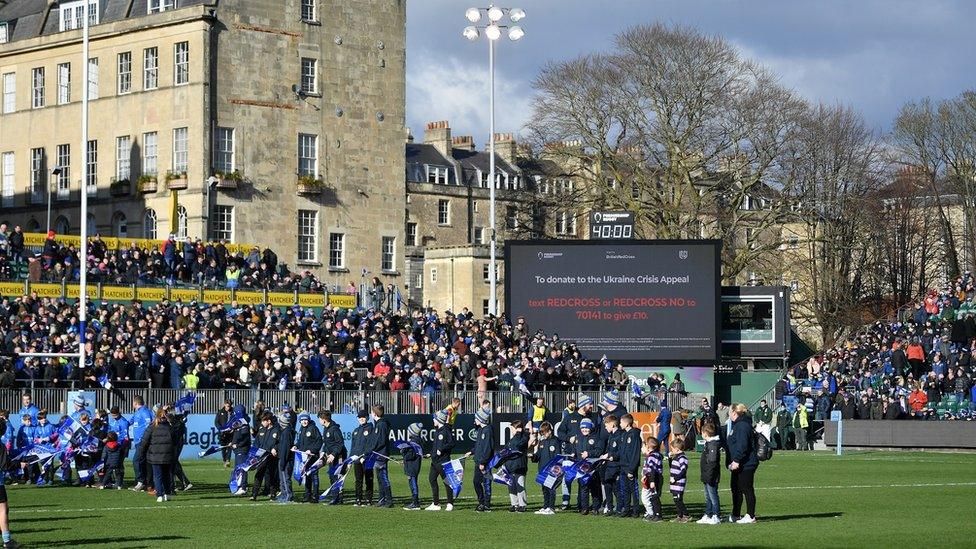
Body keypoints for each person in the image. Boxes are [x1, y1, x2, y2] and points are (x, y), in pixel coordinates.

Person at [728, 403, 759, 524]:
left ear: (734, 412)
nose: (728, 414)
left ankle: (750, 515)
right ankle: (736, 514)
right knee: (736, 488)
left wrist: (736, 460)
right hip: (739, 463)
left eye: (730, 411)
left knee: (746, 488)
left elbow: (742, 445)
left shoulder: (742, 425)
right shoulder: (738, 425)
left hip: (746, 463)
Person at [139, 408, 176, 503]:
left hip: (155, 456)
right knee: (167, 475)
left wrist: (141, 453)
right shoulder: (170, 427)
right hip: (167, 455)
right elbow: (175, 441)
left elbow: (144, 441)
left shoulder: (152, 427)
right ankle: (167, 494)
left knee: (157, 476)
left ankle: (160, 495)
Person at [425, 410, 455, 511]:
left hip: (443, 461)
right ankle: (436, 503)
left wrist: (441, 449)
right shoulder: (437, 431)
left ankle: (450, 503)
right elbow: (435, 446)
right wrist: (431, 453)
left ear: (439, 420)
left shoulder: (446, 431)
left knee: (447, 481)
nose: (433, 420)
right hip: (435, 461)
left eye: (434, 419)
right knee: (432, 479)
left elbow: (452, 444)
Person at [574, 418, 604, 515]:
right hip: (581, 467)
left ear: (590, 427)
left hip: (593, 467)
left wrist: (589, 453)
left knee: (594, 487)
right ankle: (584, 508)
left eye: (586, 428)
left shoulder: (596, 437)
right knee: (583, 487)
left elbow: (599, 451)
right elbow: (575, 450)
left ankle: (596, 507)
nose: (584, 430)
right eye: (582, 428)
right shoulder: (578, 437)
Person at [467, 408, 493, 512]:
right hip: (478, 460)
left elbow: (487, 448)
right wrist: (472, 452)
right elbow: (478, 445)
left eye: (476, 418)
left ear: (481, 419)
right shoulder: (481, 430)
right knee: (476, 482)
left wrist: (483, 462)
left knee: (486, 482)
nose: (475, 420)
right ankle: (481, 502)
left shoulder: (488, 431)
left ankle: (486, 504)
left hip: (484, 462)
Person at [530, 421, 559, 515]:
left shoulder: (555, 441)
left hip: (551, 470)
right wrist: (533, 456)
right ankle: (545, 506)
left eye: (544, 432)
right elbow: (538, 455)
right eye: (542, 433)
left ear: (550, 431)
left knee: (551, 489)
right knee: (544, 489)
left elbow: (557, 457)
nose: (543, 434)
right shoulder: (542, 442)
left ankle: (551, 507)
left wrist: (554, 469)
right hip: (542, 470)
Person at [616, 414, 641, 518]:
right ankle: (626, 509)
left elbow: (635, 454)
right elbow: (621, 451)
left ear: (626, 423)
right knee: (624, 489)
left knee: (633, 489)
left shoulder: (634, 435)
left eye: (621, 422)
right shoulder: (624, 435)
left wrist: (631, 469)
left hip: (630, 468)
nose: (619, 424)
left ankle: (636, 510)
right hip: (622, 466)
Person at [250, 411, 280, 501]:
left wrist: (275, 448)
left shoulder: (276, 430)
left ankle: (272, 494)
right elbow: (256, 443)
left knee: (271, 476)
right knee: (258, 475)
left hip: (272, 458)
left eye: (264, 421)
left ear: (269, 421)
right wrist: (253, 453)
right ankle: (254, 495)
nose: (262, 423)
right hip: (261, 458)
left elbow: (279, 443)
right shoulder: (261, 430)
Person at [0, 417, 20, 549]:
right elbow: (5, 465)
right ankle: (7, 541)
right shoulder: (0, 445)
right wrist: (19, 464)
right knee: (3, 510)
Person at [318, 411, 346, 505]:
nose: (319, 421)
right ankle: (335, 497)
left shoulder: (334, 429)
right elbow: (327, 443)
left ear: (324, 420)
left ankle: (338, 498)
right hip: (330, 456)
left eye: (320, 419)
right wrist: (323, 452)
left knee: (337, 476)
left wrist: (334, 454)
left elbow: (340, 443)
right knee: (331, 476)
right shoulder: (325, 428)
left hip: (339, 456)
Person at [293, 412, 322, 503]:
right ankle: (307, 495)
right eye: (302, 420)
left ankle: (316, 496)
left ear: (308, 420)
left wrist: (311, 450)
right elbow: (300, 441)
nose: (304, 422)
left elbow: (319, 441)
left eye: (305, 420)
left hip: (312, 457)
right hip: (304, 457)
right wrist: (296, 446)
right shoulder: (301, 429)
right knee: (306, 475)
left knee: (314, 476)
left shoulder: (313, 428)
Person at [698, 422, 722, 524]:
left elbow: (712, 462)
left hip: (711, 475)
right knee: (707, 496)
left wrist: (710, 476)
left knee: (713, 496)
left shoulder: (713, 445)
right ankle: (708, 514)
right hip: (706, 474)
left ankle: (716, 515)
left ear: (705, 433)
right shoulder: (708, 444)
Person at [129, 396, 154, 492]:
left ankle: (141, 482)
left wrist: (145, 438)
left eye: (133, 403)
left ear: (136, 403)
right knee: (143, 462)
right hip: (138, 441)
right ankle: (146, 483)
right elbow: (129, 422)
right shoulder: (137, 412)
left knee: (136, 460)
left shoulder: (144, 412)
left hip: (142, 441)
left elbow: (149, 424)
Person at [504, 420, 529, 513]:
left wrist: (518, 433)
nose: (511, 430)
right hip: (510, 466)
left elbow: (517, 446)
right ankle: (514, 504)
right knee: (511, 486)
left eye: (512, 428)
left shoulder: (523, 437)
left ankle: (522, 504)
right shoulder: (512, 439)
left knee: (520, 485)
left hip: (519, 466)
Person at [370, 405, 393, 507]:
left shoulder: (381, 425)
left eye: (372, 412)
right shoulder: (378, 424)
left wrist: (372, 449)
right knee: (379, 478)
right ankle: (382, 499)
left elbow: (381, 441)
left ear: (375, 413)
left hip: (381, 454)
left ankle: (389, 500)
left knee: (383, 477)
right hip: (377, 454)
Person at [349, 410, 373, 506]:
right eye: (359, 417)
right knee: (358, 480)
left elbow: (370, 445)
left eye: (363, 417)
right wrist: (351, 459)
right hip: (357, 459)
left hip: (367, 459)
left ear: (367, 418)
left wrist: (365, 456)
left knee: (369, 479)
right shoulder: (356, 431)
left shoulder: (371, 429)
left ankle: (369, 499)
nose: (361, 419)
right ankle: (358, 499)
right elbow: (353, 447)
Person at [600, 414, 621, 515]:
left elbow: (620, 451)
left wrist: (611, 456)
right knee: (607, 485)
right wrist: (604, 456)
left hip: (616, 466)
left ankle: (620, 506)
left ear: (612, 425)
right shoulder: (611, 436)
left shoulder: (620, 435)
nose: (605, 427)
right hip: (609, 466)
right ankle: (609, 506)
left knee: (616, 488)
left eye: (606, 425)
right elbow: (609, 449)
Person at [400, 422, 423, 511]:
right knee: (413, 482)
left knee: (413, 483)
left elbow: (411, 455)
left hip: (412, 465)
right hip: (414, 465)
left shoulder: (413, 442)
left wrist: (403, 452)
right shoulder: (417, 440)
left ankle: (415, 502)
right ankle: (415, 501)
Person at [229, 405, 252, 495]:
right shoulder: (240, 423)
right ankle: (240, 486)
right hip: (238, 449)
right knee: (238, 468)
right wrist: (233, 442)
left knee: (242, 468)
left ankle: (243, 487)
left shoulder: (244, 424)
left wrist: (237, 444)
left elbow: (244, 438)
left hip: (242, 449)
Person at [640, 437, 664, 523]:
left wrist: (651, 480)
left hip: (654, 478)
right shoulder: (653, 455)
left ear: (649, 446)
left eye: (645, 444)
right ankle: (653, 513)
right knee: (652, 497)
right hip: (652, 478)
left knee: (654, 497)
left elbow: (652, 469)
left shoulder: (653, 456)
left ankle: (656, 514)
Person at [668, 436, 690, 523]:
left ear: (677, 449)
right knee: (675, 499)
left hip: (679, 483)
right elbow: (672, 467)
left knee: (678, 499)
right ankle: (679, 515)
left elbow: (683, 471)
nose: (671, 450)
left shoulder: (682, 458)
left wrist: (676, 479)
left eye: (672, 449)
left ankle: (686, 515)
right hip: (674, 483)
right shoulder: (676, 457)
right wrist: (670, 459)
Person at [275, 412, 295, 504]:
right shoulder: (285, 431)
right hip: (283, 458)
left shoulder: (286, 432)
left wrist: (283, 460)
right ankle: (283, 494)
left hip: (286, 459)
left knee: (285, 478)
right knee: (282, 479)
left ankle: (288, 495)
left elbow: (285, 448)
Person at [215, 399, 234, 467]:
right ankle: (224, 460)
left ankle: (228, 460)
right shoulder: (220, 412)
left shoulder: (233, 412)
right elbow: (216, 422)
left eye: (230, 406)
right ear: (225, 404)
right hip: (222, 433)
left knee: (229, 446)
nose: (229, 407)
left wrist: (233, 429)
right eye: (228, 406)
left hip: (231, 433)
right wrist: (220, 429)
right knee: (223, 448)